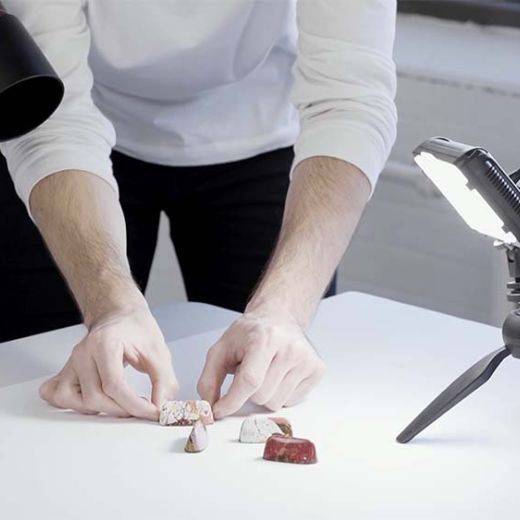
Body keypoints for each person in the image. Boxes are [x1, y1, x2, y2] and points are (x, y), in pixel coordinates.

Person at [0, 0, 397, 420]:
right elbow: (52, 119)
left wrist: (285, 312)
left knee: (272, 381)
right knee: (42, 392)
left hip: (260, 129)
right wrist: (110, 308)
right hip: (76, 131)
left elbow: (350, 101)